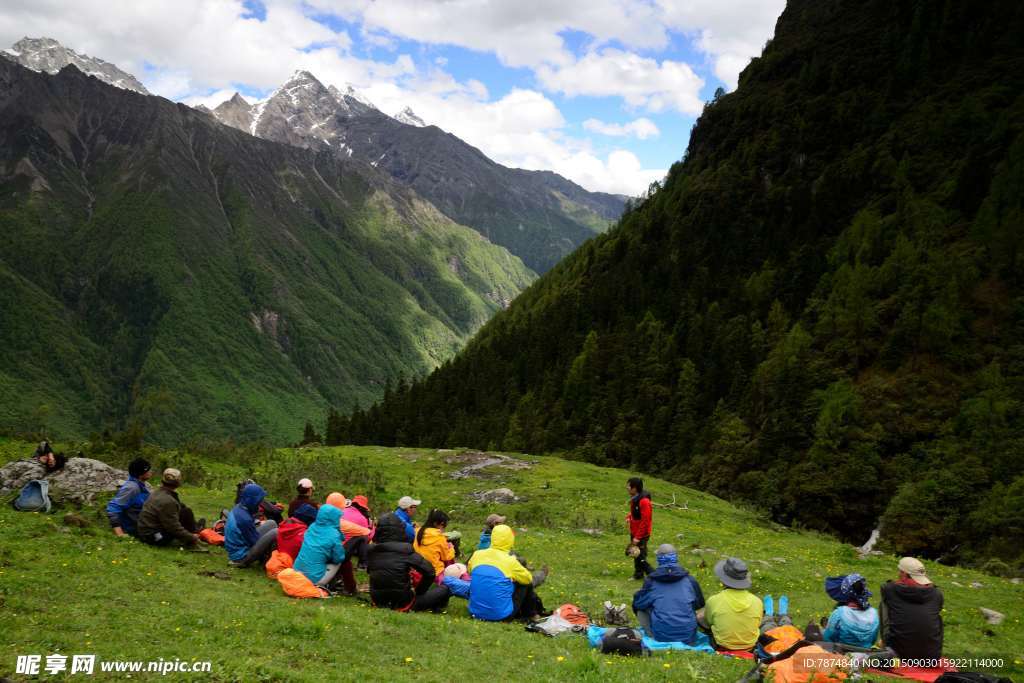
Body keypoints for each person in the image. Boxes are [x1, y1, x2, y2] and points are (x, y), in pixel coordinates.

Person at [367, 512, 451, 612]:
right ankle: (437, 608)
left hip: (378, 601)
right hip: (404, 603)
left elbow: (370, 571)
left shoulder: (371, 550)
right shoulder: (405, 550)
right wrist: (419, 591)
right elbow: (430, 572)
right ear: (400, 530)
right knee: (445, 589)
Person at [467, 524, 548, 621]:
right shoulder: (510, 561)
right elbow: (528, 579)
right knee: (524, 584)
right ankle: (529, 614)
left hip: (474, 613)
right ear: (510, 539)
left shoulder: (477, 554)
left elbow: (470, 571)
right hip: (502, 616)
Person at [632, 543, 705, 644]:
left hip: (661, 637)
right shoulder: (689, 580)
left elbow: (639, 604)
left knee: (641, 608)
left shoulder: (651, 581)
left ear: (658, 559)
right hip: (688, 638)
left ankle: (651, 635)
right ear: (676, 557)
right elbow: (699, 604)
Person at [879, 557, 943, 660]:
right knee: (935, 615)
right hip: (931, 657)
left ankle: (886, 646)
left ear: (903, 574)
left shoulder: (889, 589)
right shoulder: (937, 594)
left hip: (897, 654)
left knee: (884, 604)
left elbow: (889, 587)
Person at [697, 557, 763, 651]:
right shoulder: (757, 601)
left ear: (723, 579)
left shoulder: (714, 600)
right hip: (750, 647)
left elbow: (708, 622)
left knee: (700, 616)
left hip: (722, 646)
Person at [807, 573, 879, 648]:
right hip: (866, 653)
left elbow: (827, 638)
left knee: (814, 632)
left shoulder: (839, 613)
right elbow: (873, 640)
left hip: (841, 653)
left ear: (846, 593)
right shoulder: (874, 613)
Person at [137, 468, 205, 547]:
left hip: (144, 532)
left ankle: (196, 528)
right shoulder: (168, 501)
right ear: (178, 482)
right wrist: (192, 537)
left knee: (184, 509)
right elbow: (173, 527)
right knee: (186, 512)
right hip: (154, 537)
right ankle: (195, 535)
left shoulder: (157, 492)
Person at [293, 504, 347, 591]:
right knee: (339, 560)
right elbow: (338, 558)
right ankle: (326, 585)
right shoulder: (334, 534)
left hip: (296, 574)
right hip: (314, 579)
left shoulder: (312, 527)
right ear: (333, 518)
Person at [226, 483, 278, 567]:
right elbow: (254, 541)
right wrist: (268, 541)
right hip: (241, 557)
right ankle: (268, 560)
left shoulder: (239, 507)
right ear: (252, 500)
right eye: (259, 500)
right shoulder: (244, 519)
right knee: (276, 532)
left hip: (240, 546)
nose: (260, 502)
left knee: (271, 523)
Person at [106, 458, 153, 537]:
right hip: (134, 528)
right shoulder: (132, 488)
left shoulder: (140, 485)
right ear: (141, 474)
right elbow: (113, 508)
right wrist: (120, 533)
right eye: (148, 470)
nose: (151, 472)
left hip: (143, 523)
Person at [414, 508, 457, 578]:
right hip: (434, 571)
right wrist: (452, 548)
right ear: (439, 523)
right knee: (449, 551)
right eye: (443, 526)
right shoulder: (439, 537)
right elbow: (446, 557)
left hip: (417, 569)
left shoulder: (417, 531)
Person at [626, 477, 653, 580]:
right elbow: (635, 513)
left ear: (635, 488)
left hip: (641, 533)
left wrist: (638, 537)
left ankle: (652, 575)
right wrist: (629, 517)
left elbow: (646, 521)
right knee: (635, 553)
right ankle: (639, 574)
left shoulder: (644, 501)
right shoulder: (635, 498)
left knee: (640, 555)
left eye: (629, 486)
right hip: (634, 531)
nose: (627, 488)